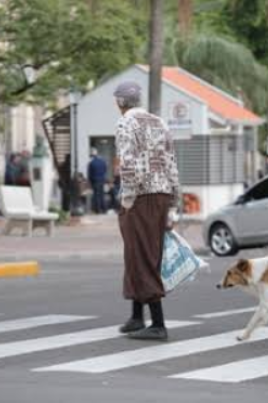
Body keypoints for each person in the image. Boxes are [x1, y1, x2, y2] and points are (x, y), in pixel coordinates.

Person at [114, 81, 181, 341]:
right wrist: (173, 206)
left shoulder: (125, 123)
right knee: (139, 253)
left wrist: (128, 199)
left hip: (141, 197)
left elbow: (128, 165)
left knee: (141, 255)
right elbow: (172, 164)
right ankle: (136, 316)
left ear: (120, 102)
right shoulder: (159, 123)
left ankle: (158, 323)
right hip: (162, 195)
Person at [88, 148, 108, 214]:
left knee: (96, 195)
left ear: (92, 155)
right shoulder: (103, 162)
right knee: (102, 195)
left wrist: (90, 182)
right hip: (102, 180)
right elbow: (105, 170)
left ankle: (98, 210)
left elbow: (90, 174)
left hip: (95, 181)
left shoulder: (91, 163)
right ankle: (104, 209)